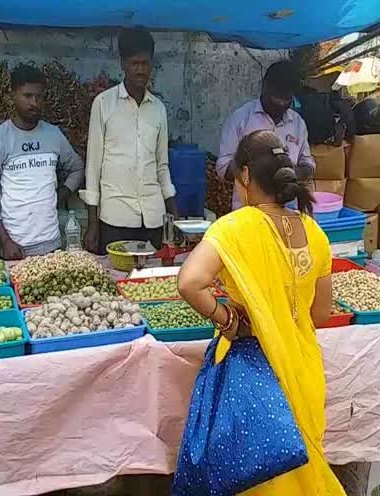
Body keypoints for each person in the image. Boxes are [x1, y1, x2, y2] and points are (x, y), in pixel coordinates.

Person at [175, 130, 345, 494]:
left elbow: (189, 282)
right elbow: (320, 314)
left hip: (256, 374)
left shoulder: (234, 228)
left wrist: (231, 321)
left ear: (247, 176)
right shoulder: (315, 232)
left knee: (261, 478)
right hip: (304, 371)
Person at [81, 27, 178, 254]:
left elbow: (162, 166)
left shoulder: (158, 109)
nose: (140, 70)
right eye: (134, 63)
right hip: (115, 218)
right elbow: (93, 168)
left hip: (153, 219)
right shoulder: (104, 104)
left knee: (150, 285)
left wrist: (173, 214)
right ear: (123, 64)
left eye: (145, 63)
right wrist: (92, 224)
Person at [0, 64, 84, 259]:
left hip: (52, 246)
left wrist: (58, 197)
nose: (34, 103)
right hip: (15, 249)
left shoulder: (53, 135)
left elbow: (76, 167)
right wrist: (5, 241)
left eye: (39, 97)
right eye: (27, 96)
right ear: (13, 95)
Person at [217, 60, 315, 211]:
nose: (281, 104)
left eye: (286, 100)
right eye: (276, 99)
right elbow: (223, 166)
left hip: (288, 213)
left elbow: (308, 164)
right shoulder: (241, 119)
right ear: (264, 87)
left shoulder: (298, 123)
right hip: (248, 213)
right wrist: (257, 177)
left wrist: (292, 174)